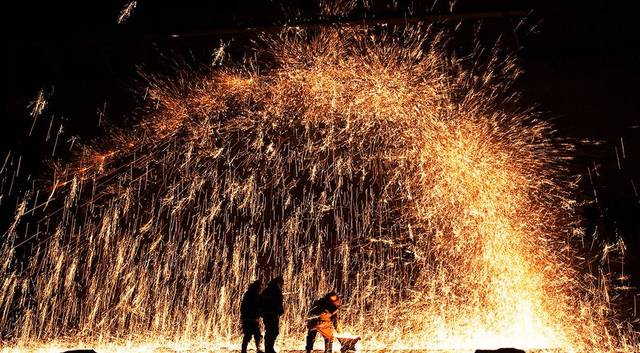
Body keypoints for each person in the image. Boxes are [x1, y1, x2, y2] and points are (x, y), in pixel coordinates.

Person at [261, 276, 284, 353]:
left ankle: (268, 348)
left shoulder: (266, 290)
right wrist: (280, 310)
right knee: (273, 331)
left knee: (269, 331)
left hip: (267, 314)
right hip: (272, 314)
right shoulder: (276, 290)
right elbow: (278, 302)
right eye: (281, 283)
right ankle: (269, 348)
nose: (282, 285)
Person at [240, 280, 263, 353]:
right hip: (251, 318)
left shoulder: (248, 294)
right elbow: (256, 306)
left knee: (250, 335)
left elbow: (243, 307)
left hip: (248, 318)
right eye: (261, 286)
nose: (261, 288)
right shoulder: (255, 295)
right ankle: (257, 349)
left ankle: (244, 350)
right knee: (254, 335)